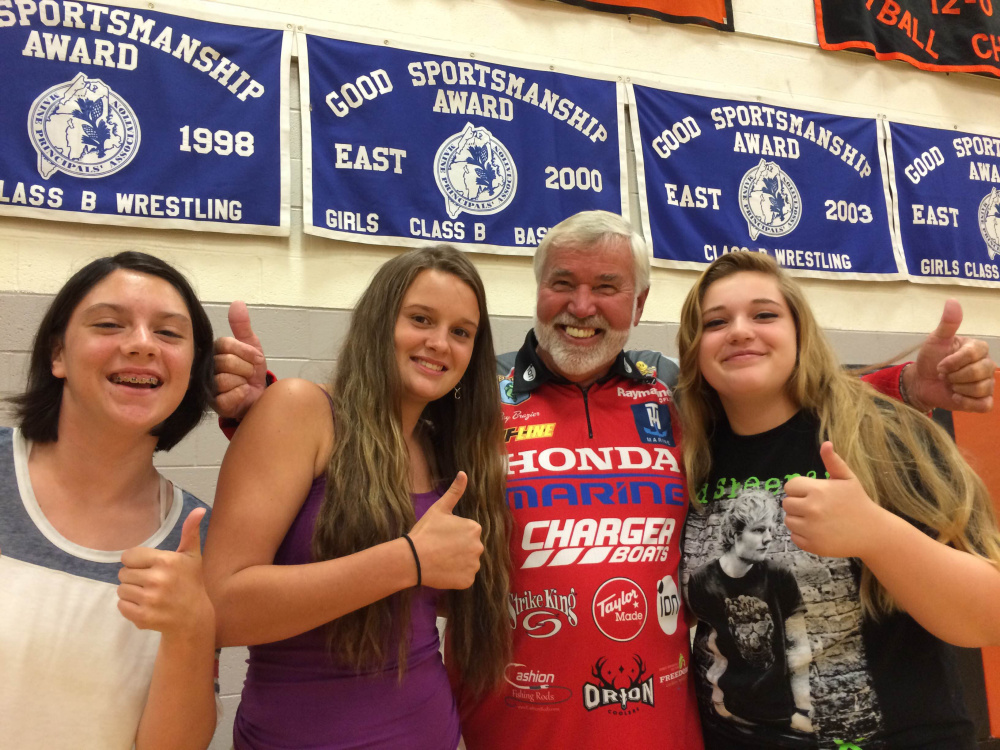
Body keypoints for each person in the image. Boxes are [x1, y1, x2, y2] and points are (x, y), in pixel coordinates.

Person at [211, 211, 996, 749]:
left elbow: (773, 391)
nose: (581, 307)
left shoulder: (672, 396)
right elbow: (370, 431)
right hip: (507, 723)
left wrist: (902, 381)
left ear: (639, 302)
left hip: (670, 728)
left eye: (607, 288)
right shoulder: (472, 400)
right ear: (537, 289)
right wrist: (263, 404)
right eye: (563, 284)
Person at [676, 250, 1000, 749]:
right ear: (695, 349)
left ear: (800, 333)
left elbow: (989, 617)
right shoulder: (690, 459)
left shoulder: (878, 434)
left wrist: (875, 532)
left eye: (765, 314)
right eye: (716, 322)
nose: (740, 331)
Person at [201, 245, 511, 750]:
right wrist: (407, 559)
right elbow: (220, 608)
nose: (439, 343)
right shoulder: (302, 408)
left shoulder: (446, 452)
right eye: (420, 319)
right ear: (378, 322)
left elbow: (427, 605)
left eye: (461, 332)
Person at [0, 252, 217, 750]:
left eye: (168, 333)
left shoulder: (197, 536)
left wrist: (192, 629)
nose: (142, 345)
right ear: (57, 354)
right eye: (109, 324)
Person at [686, 489, 813, 736]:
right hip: (728, 718)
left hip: (782, 713)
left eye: (770, 530)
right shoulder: (702, 581)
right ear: (735, 535)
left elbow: (799, 645)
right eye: (758, 530)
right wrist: (719, 705)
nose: (768, 539)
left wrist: (803, 710)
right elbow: (710, 647)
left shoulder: (779, 575)